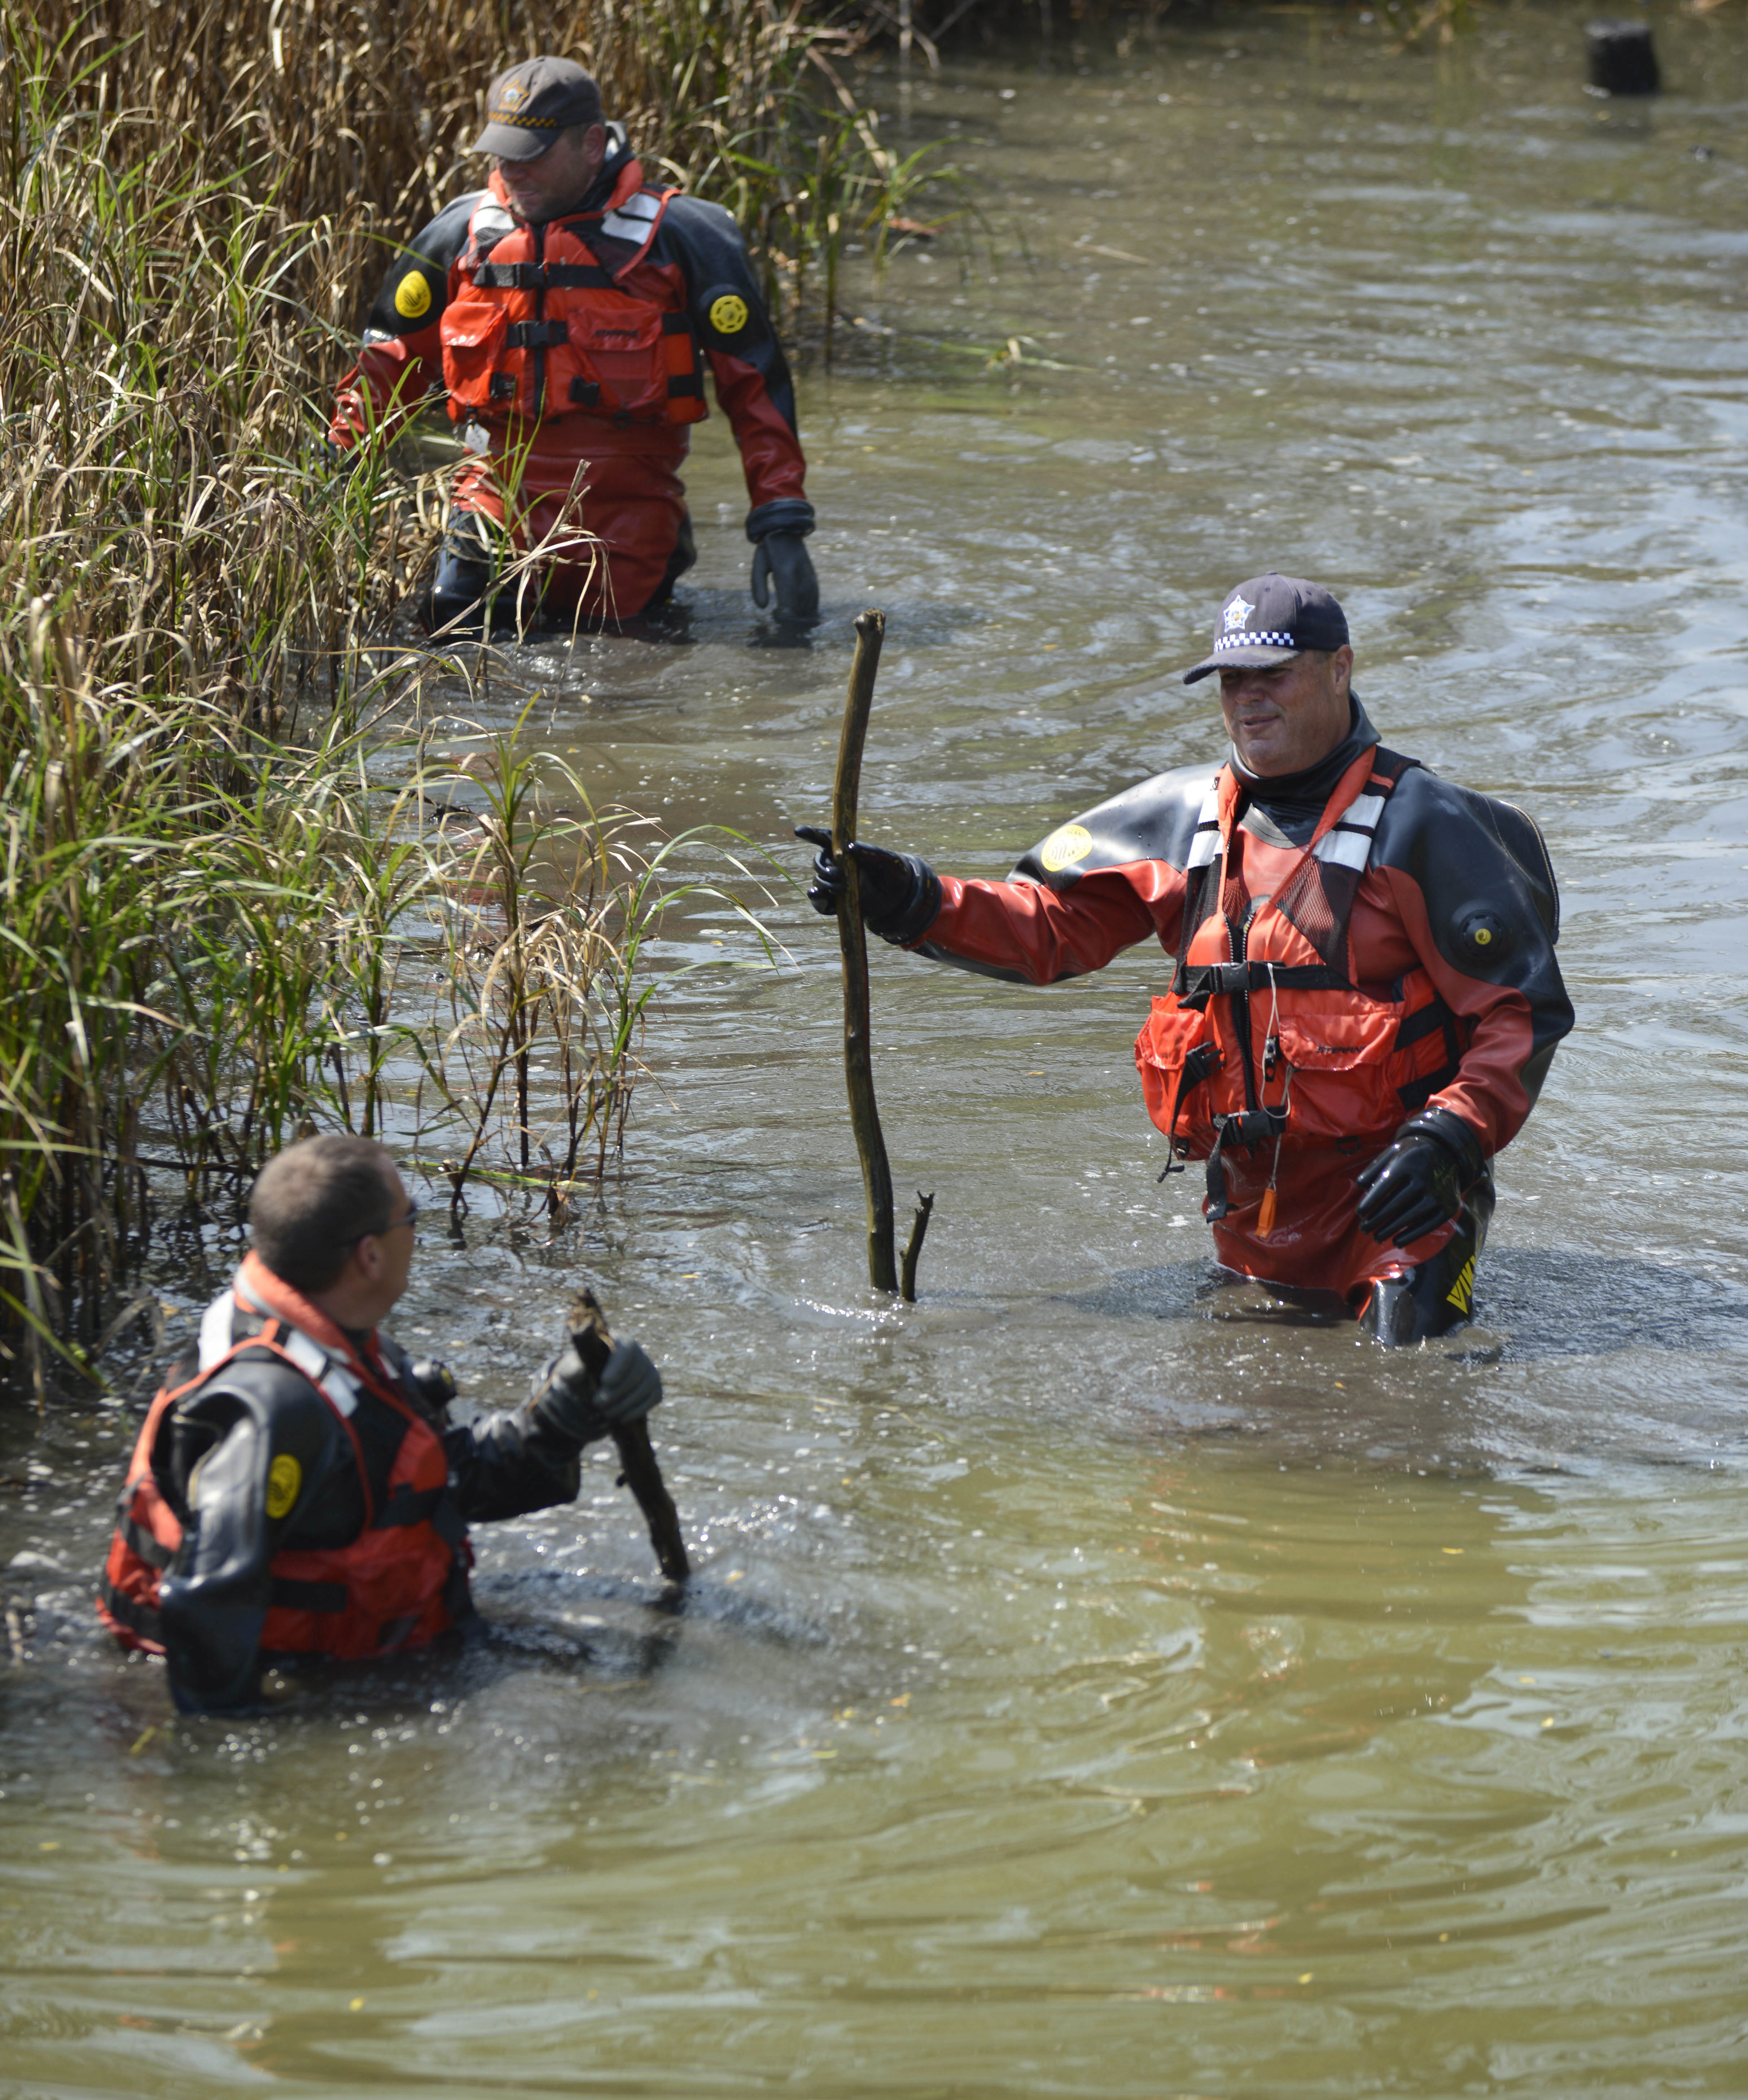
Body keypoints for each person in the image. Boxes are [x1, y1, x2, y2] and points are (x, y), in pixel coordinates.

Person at [798, 574, 1573, 1342]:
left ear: (1340, 669)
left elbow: (1518, 1014)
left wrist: (1447, 1140)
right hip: (1248, 1210)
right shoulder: (1180, 819)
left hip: (1403, 1198)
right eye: (1230, 680)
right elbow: (1044, 928)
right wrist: (906, 896)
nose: (1247, 698)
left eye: (1272, 674)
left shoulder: (1427, 826)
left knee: (1407, 1389)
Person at [98, 1135, 665, 1710]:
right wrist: (252, 1788)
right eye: (411, 1219)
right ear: (369, 1256)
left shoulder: (330, 1338)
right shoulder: (274, 1409)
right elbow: (203, 1604)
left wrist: (569, 1403)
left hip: (379, 1652)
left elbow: (429, 1484)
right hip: (319, 1686)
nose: (418, 1235)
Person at [328, 56, 818, 631]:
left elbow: (755, 387)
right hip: (491, 506)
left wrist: (780, 524)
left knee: (623, 684)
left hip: (631, 525)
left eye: (530, 156)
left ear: (591, 145)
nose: (511, 171)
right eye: (501, 153)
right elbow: (388, 366)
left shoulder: (685, 239)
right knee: (454, 647)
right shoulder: (458, 237)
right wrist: (330, 480)